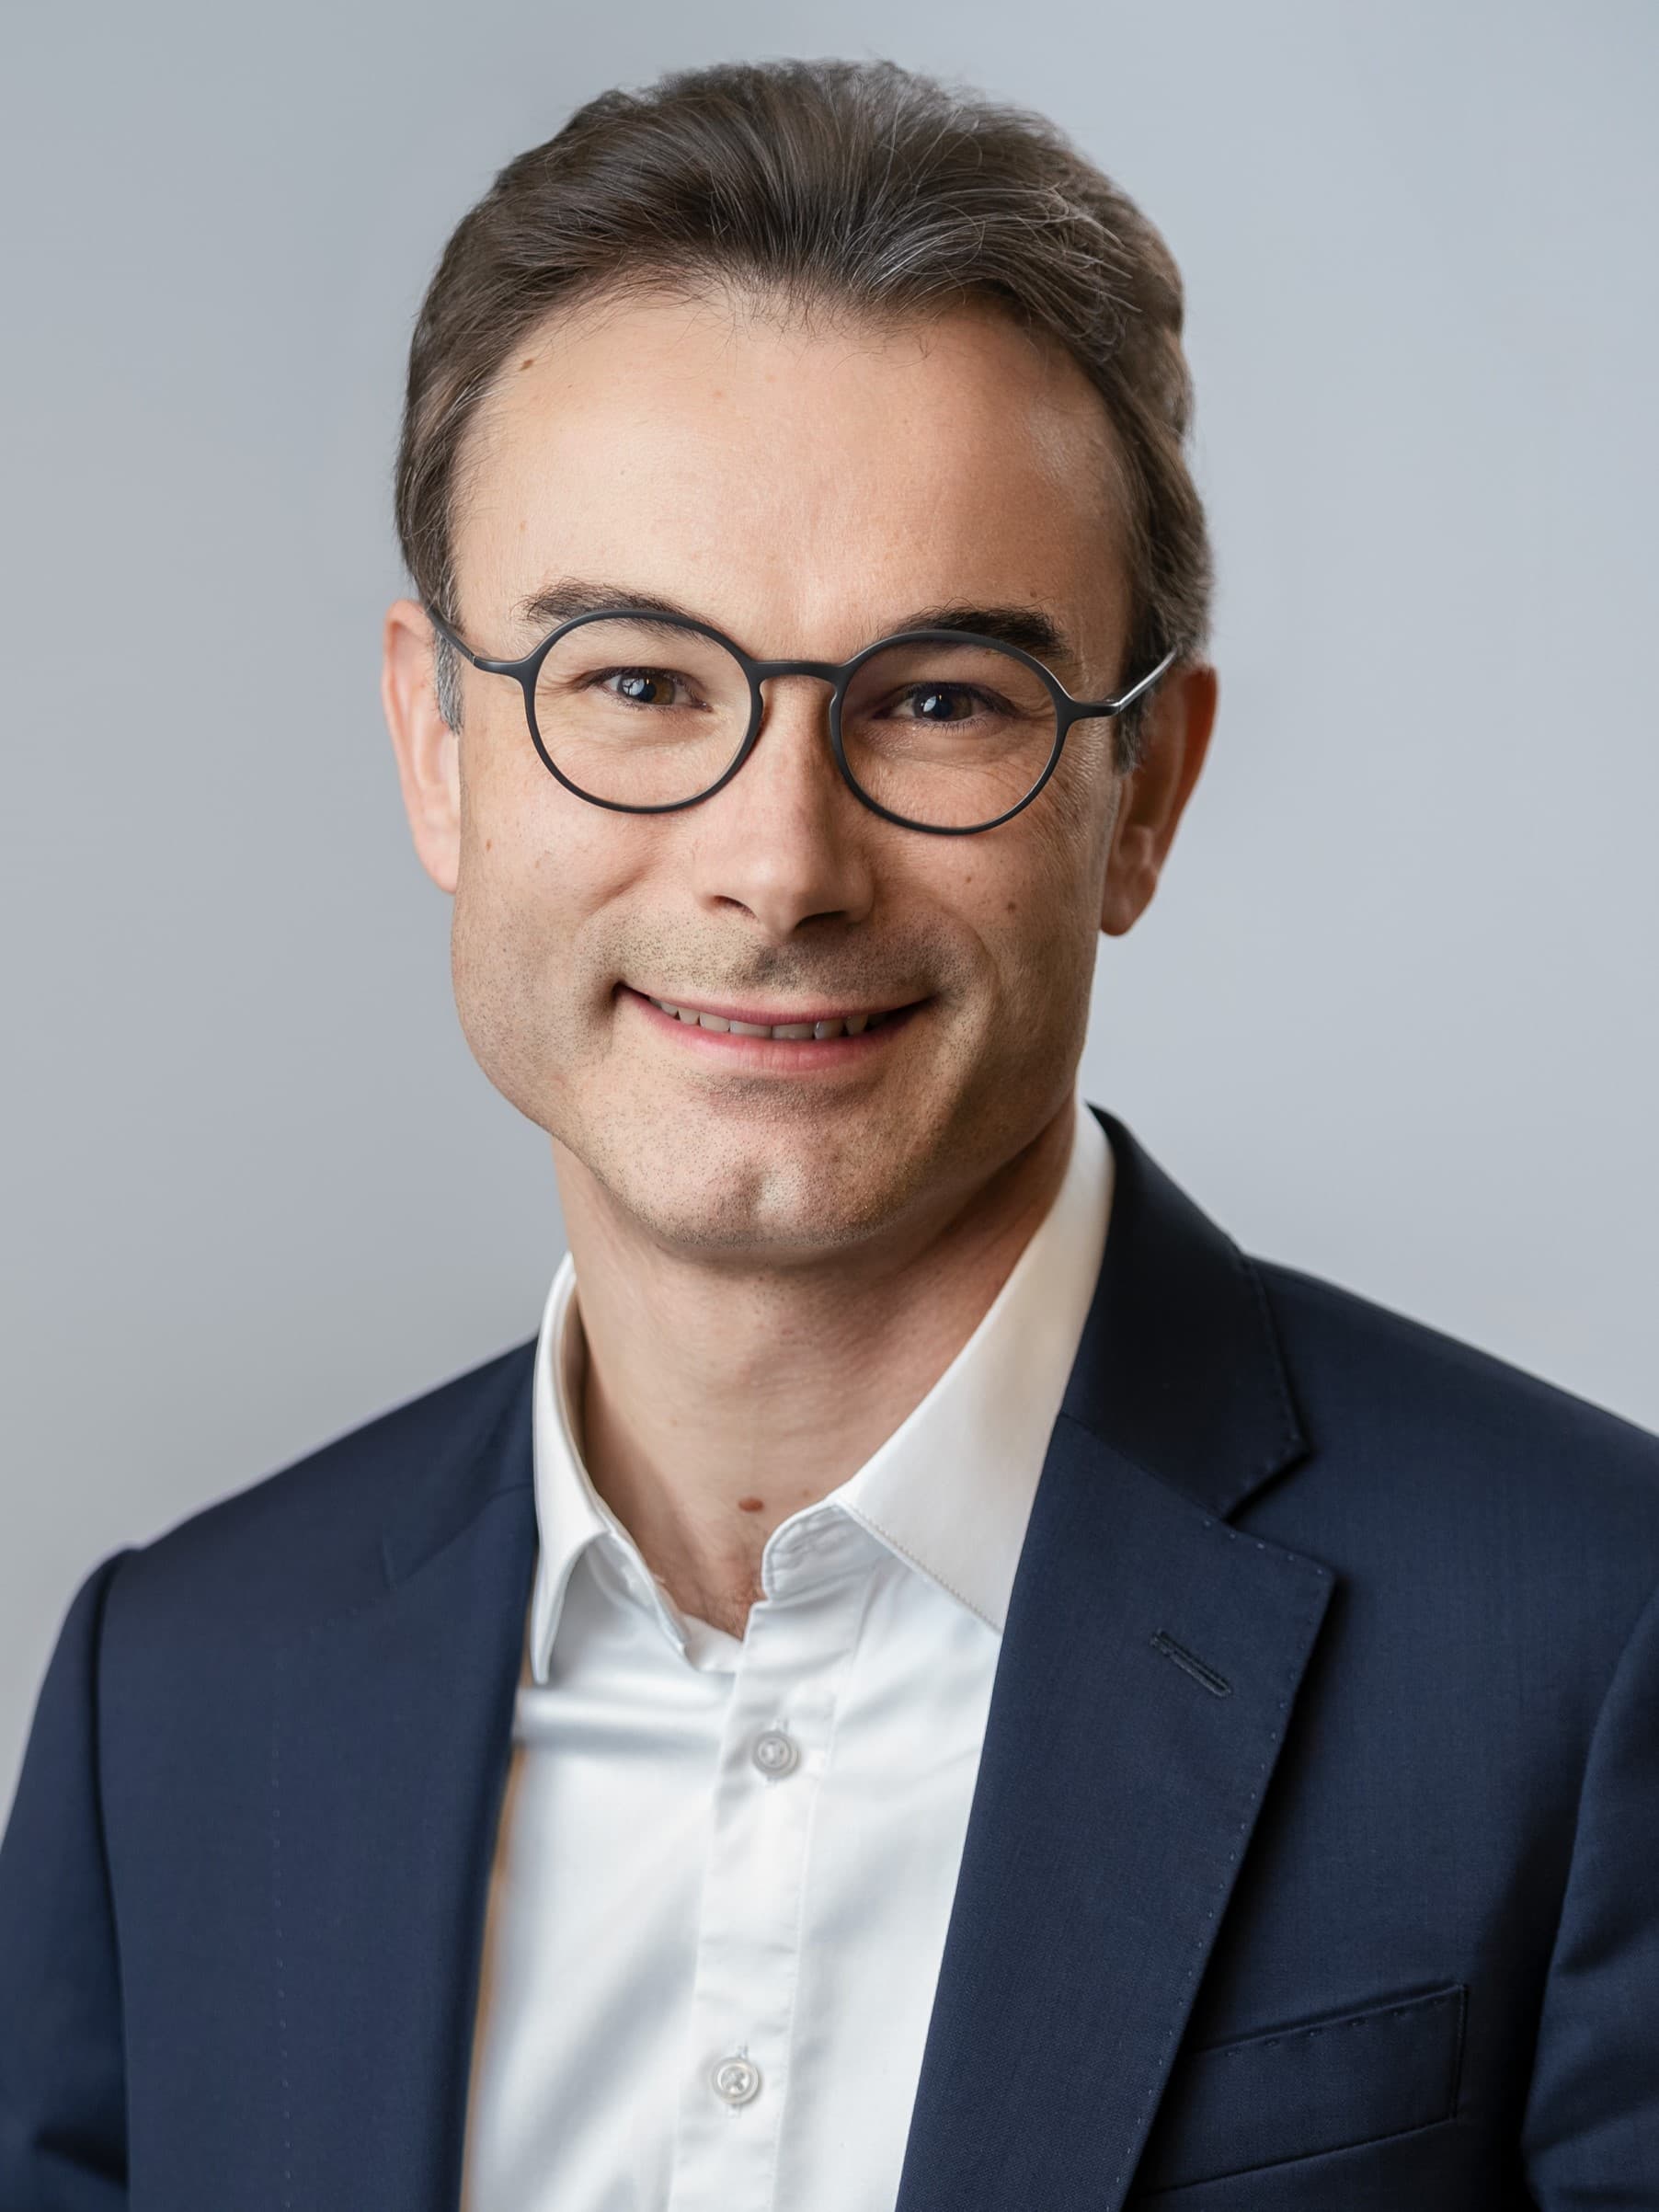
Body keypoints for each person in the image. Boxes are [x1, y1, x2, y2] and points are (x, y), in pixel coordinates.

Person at [3, 54, 1655, 2212]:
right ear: (436, 746)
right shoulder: (177, 1704)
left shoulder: (1595, 1640)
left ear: (1138, 796)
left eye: (941, 701)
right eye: (634, 683)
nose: (775, 867)